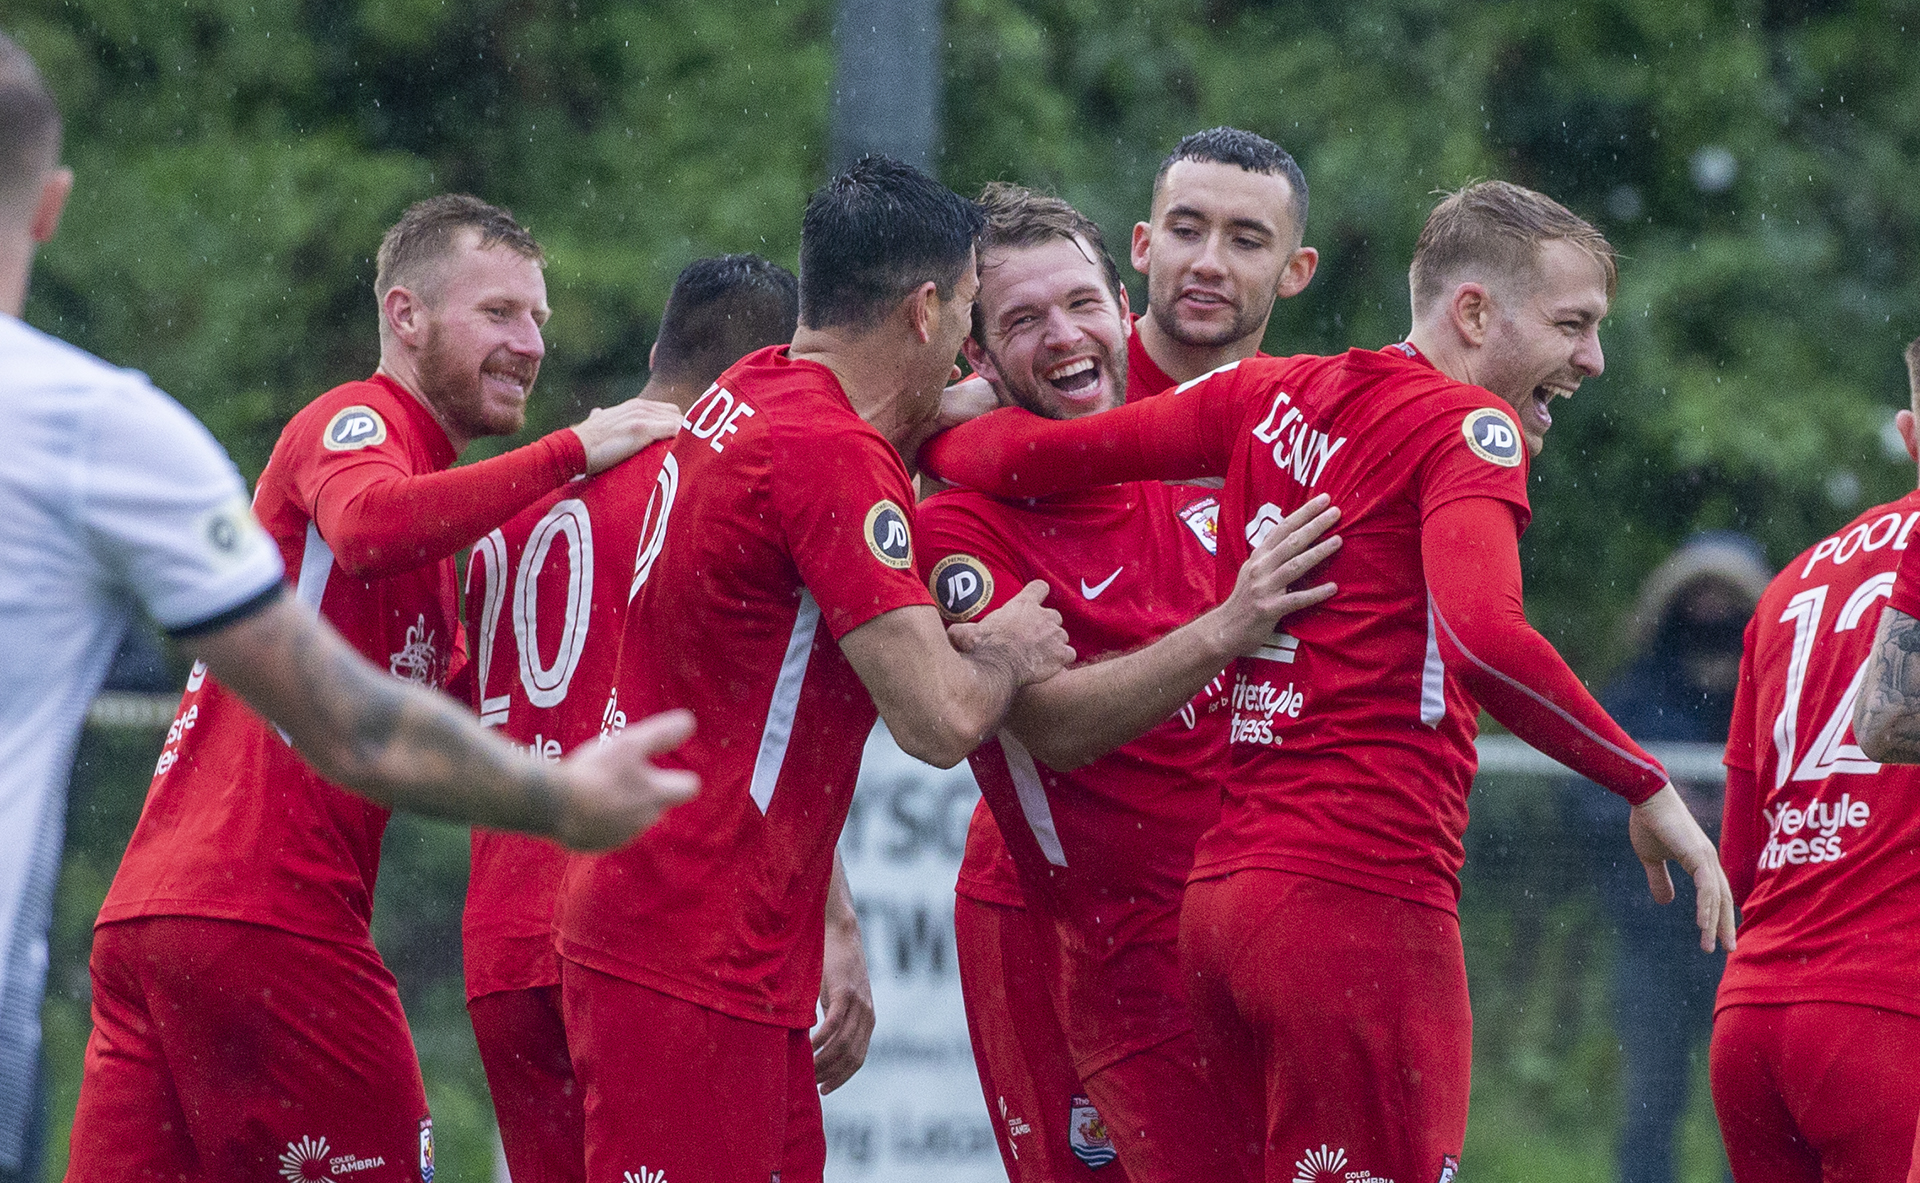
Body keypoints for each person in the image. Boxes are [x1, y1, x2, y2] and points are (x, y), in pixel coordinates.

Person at [921, 179, 1734, 1183]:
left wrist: (936, 421)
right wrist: (1644, 783)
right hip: (1360, 901)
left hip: (1220, 911)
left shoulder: (1271, 395)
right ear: (1473, 313)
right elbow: (1483, 637)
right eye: (1573, 325)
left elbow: (1037, 453)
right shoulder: (1465, 430)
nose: (1591, 358)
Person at [0, 34, 698, 1183]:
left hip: (152, 923)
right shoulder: (357, 423)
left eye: (539, 316)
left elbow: (477, 690)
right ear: (405, 313)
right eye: (499, 312)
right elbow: (369, 527)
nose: (531, 342)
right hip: (270, 919)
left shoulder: (448, 533)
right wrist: (580, 447)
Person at [553, 156, 1075, 1183]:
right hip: (688, 945)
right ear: (926, 310)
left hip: (703, 930)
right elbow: (934, 719)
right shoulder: (827, 458)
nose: (973, 347)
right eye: (972, 313)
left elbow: (761, 692)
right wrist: (1008, 654)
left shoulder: (755, 387)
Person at [924, 182, 1340, 1183]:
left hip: (1242, 931)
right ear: (977, 355)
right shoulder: (964, 511)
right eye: (1022, 319)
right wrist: (1225, 629)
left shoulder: (1207, 451)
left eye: (1078, 303)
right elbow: (1055, 730)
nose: (1063, 334)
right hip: (1098, 944)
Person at [461, 254, 871, 1183]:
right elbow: (724, 718)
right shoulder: (707, 487)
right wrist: (837, 921)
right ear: (771, 365)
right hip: (639, 927)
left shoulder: (513, 497)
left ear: (658, 347)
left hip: (502, 932)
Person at [1734, 339, 1920, 1181]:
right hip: (1889, 1014)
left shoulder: (1789, 582)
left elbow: (1742, 851)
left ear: (1909, 434)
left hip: (1755, 1016)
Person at [1565, 534, 1767, 1183]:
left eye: (1726, 598)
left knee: (1753, 1111)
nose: (1710, 609)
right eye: (1698, 595)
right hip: (1650, 941)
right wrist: (1662, 812)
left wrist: (1726, 819)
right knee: (1650, 1106)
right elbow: (1584, 796)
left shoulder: (1764, 695)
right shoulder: (1633, 695)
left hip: (1746, 943)